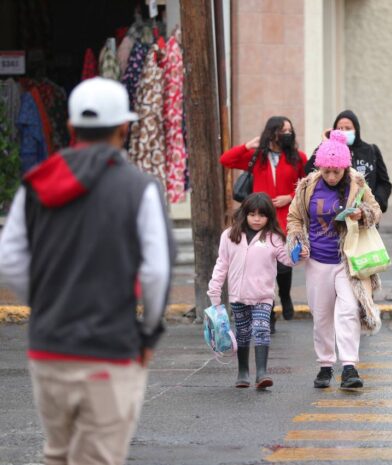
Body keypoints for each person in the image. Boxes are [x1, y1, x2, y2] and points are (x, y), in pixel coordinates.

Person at [0, 77, 176, 465]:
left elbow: (9, 259)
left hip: (48, 348)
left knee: (58, 454)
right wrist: (147, 334)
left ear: (70, 128)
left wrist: (48, 303)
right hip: (109, 349)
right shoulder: (139, 188)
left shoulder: (35, 184)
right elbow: (156, 272)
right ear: (124, 128)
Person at [288, 130, 383, 389]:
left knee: (349, 310)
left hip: (347, 260)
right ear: (320, 167)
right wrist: (298, 241)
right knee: (321, 316)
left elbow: (376, 210)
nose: (331, 176)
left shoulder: (357, 183)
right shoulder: (308, 185)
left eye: (336, 172)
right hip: (317, 260)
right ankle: (325, 365)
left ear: (344, 168)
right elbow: (294, 218)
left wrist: (361, 214)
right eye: (327, 171)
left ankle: (349, 366)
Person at [220, 116, 308, 332]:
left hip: (287, 217)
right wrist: (247, 145)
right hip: (261, 218)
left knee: (284, 265)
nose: (287, 134)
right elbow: (226, 160)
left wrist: (290, 195)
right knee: (263, 267)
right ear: (272, 133)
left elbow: (308, 184)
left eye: (290, 130)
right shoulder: (257, 156)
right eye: (283, 130)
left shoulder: (298, 157)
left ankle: (285, 295)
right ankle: (268, 313)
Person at [207, 193, 299, 390]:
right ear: (244, 214)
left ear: (269, 217)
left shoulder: (274, 238)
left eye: (262, 215)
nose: (257, 219)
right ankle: (242, 372)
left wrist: (299, 253)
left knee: (261, 328)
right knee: (243, 332)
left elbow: (288, 261)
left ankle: (262, 373)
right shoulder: (230, 235)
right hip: (238, 295)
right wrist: (214, 291)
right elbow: (221, 264)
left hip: (263, 296)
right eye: (252, 214)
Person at [305, 110, 392, 213]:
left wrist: (374, 205)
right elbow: (309, 170)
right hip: (336, 212)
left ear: (356, 130)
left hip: (365, 213)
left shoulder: (371, 150)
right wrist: (325, 144)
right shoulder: (330, 152)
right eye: (340, 129)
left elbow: (384, 183)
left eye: (348, 128)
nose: (344, 131)